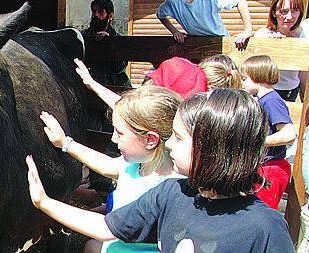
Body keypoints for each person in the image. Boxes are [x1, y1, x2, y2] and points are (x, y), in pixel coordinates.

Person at [26, 88, 294, 252]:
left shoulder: (266, 229)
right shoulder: (172, 194)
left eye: (178, 137)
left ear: (213, 149)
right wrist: (44, 203)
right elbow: (106, 226)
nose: (169, 144)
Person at [40, 85, 182, 253]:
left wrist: (43, 201)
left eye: (120, 133)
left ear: (150, 140)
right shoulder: (136, 165)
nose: (114, 139)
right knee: (91, 247)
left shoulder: (173, 189)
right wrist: (65, 143)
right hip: (117, 242)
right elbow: (105, 165)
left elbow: (104, 229)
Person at [239, 55, 297, 209]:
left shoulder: (272, 101)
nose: (242, 83)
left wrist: (257, 141)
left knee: (262, 211)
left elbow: (289, 134)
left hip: (272, 169)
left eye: (244, 79)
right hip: (266, 167)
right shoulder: (263, 100)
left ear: (258, 77)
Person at [156, 0, 252, 49]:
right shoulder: (172, 2)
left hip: (220, 42)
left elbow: (241, 2)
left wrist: (247, 31)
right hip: (197, 44)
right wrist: (175, 31)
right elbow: (160, 15)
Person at [254, 0, 307, 102]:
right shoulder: (262, 35)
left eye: (295, 10)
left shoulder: (303, 35)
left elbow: (304, 72)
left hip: (290, 91)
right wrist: (272, 46)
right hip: (266, 90)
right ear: (274, 13)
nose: (290, 16)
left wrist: (304, 96)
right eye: (283, 11)